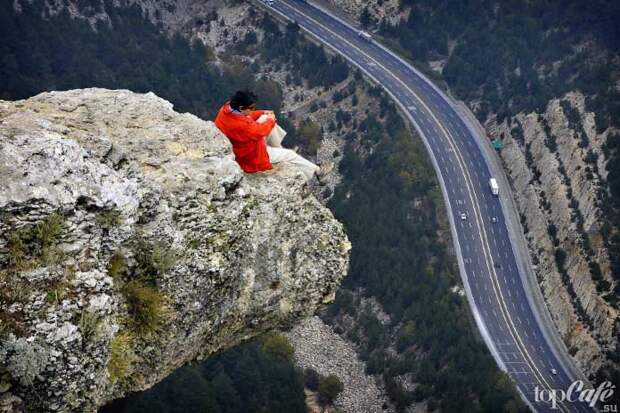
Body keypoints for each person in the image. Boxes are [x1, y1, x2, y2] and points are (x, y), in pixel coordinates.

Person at [214, 90, 332, 183]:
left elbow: (249, 118)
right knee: (290, 154)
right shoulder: (241, 126)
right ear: (241, 108)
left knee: (266, 118)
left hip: (242, 146)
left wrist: (263, 113)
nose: (253, 110)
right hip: (251, 157)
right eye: (252, 108)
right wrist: (270, 120)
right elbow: (260, 131)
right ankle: (318, 172)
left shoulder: (226, 109)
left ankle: (278, 150)